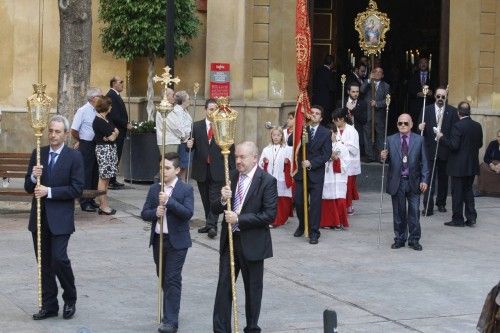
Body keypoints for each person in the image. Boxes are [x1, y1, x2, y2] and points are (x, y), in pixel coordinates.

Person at [212, 141, 277, 333]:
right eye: (236, 157)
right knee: (224, 287)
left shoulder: (266, 180)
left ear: (254, 158)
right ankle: (221, 329)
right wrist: (223, 198)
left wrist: (239, 218)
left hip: (253, 243)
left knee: (252, 289)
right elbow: (215, 208)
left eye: (242, 157)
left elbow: (269, 215)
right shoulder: (231, 175)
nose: (238, 161)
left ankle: (251, 327)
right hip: (230, 241)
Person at [24, 115, 84, 320]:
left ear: (66, 134)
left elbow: (77, 189)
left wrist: (49, 191)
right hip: (39, 219)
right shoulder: (38, 153)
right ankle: (49, 305)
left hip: (61, 218)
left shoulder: (74, 157)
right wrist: (33, 175)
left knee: (59, 259)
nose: (53, 135)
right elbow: (27, 187)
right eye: (50, 131)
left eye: (57, 132)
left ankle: (70, 297)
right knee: (44, 263)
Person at [141, 152, 194, 333]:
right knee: (163, 276)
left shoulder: (185, 190)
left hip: (177, 242)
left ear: (177, 170)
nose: (163, 171)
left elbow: (188, 213)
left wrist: (169, 202)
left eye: (167, 168)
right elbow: (144, 213)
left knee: (172, 279)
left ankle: (171, 321)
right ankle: (171, 307)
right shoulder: (155, 189)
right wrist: (154, 213)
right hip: (158, 240)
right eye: (161, 167)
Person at [186, 98, 235, 239]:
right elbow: (191, 145)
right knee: (205, 199)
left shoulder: (223, 125)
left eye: (215, 109)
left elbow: (230, 146)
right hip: (202, 169)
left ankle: (213, 225)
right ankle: (209, 223)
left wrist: (231, 169)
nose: (213, 112)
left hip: (217, 168)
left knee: (214, 197)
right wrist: (188, 144)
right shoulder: (196, 126)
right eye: (211, 109)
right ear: (205, 110)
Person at [380, 114, 429, 251]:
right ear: (397, 124)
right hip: (397, 181)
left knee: (414, 213)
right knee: (398, 213)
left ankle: (414, 240)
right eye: (400, 123)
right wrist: (383, 157)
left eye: (406, 123)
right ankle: (400, 238)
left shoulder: (419, 140)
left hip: (414, 181)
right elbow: (387, 159)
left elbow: (425, 162)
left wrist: (425, 180)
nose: (402, 125)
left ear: (411, 125)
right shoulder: (390, 139)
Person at [288, 106, 332, 244]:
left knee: (315, 204)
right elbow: (290, 142)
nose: (314, 115)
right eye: (311, 113)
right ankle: (302, 224)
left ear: (321, 118)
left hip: (316, 174)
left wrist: (311, 162)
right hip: (301, 174)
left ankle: (314, 232)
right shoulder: (303, 128)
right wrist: (299, 126)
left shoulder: (326, 133)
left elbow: (326, 154)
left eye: (317, 113)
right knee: (300, 202)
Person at [437, 101, 483, 227]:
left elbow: (454, 145)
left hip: (458, 166)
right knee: (468, 191)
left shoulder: (457, 126)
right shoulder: (477, 125)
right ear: (469, 112)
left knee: (457, 193)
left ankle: (458, 219)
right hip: (472, 165)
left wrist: (441, 137)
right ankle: (471, 217)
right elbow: (480, 145)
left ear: (458, 113)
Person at [418, 87, 458, 215]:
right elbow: (420, 132)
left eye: (443, 97)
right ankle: (427, 207)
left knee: (443, 179)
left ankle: (441, 203)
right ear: (434, 96)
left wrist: (445, 140)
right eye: (438, 96)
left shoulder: (452, 111)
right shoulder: (426, 109)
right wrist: (420, 128)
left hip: (445, 150)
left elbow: (454, 132)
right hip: (430, 150)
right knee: (429, 180)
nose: (440, 99)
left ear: (446, 98)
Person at [70, 87, 102, 212]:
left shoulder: (98, 110)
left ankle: (91, 198)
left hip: (96, 144)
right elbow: (74, 130)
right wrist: (81, 140)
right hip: (86, 145)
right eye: (100, 95)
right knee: (86, 173)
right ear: (94, 98)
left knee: (95, 172)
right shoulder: (82, 111)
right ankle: (84, 201)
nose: (102, 98)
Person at [258, 127, 294, 227]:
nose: (276, 137)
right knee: (270, 199)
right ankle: (272, 219)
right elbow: (260, 164)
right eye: (274, 135)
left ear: (282, 136)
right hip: (270, 177)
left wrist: (288, 163)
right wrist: (264, 161)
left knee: (282, 200)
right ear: (271, 136)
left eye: (278, 135)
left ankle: (281, 218)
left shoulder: (287, 149)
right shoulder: (266, 149)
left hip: (281, 177)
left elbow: (293, 163)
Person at [92, 96, 119, 215]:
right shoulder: (98, 121)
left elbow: (116, 132)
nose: (111, 107)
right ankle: (103, 205)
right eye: (110, 105)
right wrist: (112, 135)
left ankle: (104, 203)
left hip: (110, 149)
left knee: (107, 179)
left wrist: (112, 135)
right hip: (104, 150)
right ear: (106, 107)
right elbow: (113, 135)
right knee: (103, 178)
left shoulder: (107, 118)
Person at [320, 123, 350, 229]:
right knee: (327, 198)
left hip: (338, 178)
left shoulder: (342, 147)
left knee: (339, 199)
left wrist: (337, 159)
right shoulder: (321, 146)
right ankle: (328, 222)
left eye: (330, 133)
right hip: (327, 176)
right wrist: (327, 157)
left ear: (335, 133)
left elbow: (347, 163)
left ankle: (339, 222)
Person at [332, 108, 361, 216]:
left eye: (336, 120)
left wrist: (341, 144)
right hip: (337, 162)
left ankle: (348, 206)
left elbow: (354, 149)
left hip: (350, 164)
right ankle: (340, 206)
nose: (334, 122)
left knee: (348, 186)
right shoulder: (334, 130)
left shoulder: (352, 131)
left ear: (342, 119)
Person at [106, 76, 132, 189]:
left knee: (117, 156)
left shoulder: (116, 95)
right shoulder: (111, 95)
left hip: (120, 131)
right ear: (113, 84)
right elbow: (114, 115)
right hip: (116, 131)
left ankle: (113, 178)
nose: (122, 84)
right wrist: (125, 123)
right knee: (114, 156)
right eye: (120, 82)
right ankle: (111, 180)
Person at [361, 67, 390, 162]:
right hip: (368, 114)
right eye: (375, 72)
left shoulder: (386, 86)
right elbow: (361, 90)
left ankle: (381, 157)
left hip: (379, 115)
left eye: (380, 72)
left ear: (382, 75)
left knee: (380, 136)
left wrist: (377, 103)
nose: (377, 73)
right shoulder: (367, 82)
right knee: (367, 135)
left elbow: (387, 101)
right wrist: (369, 79)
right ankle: (369, 156)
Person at [165, 91, 193, 180]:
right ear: (183, 100)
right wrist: (185, 136)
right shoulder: (177, 111)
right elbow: (179, 126)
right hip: (182, 142)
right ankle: (179, 185)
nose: (189, 101)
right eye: (188, 99)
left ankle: (182, 185)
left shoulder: (184, 110)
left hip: (187, 141)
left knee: (185, 166)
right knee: (181, 166)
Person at [312, 54, 338, 126]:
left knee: (316, 119)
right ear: (332, 63)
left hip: (316, 99)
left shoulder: (317, 70)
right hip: (326, 101)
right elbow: (332, 87)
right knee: (324, 121)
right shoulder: (329, 73)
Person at [408, 57, 434, 126]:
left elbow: (436, 87)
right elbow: (409, 88)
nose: (423, 64)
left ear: (428, 64)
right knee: (416, 122)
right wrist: (417, 93)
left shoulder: (432, 75)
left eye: (425, 62)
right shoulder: (413, 75)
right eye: (421, 63)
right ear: (419, 65)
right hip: (416, 104)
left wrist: (432, 93)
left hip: (428, 103)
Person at [478, 129, 500, 196]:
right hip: (492, 164)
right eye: (499, 136)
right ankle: (482, 191)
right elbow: (486, 157)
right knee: (482, 166)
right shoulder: (493, 143)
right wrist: (492, 165)